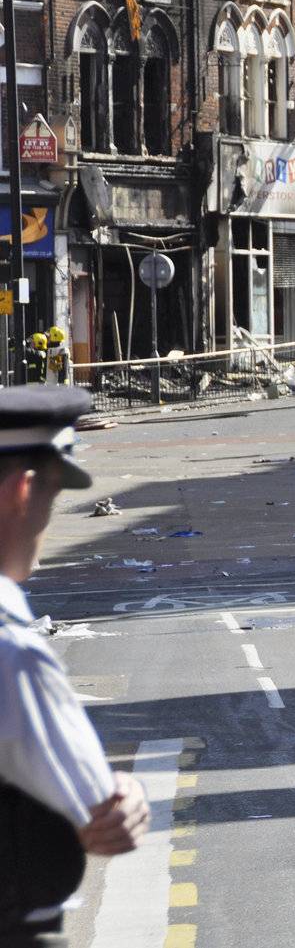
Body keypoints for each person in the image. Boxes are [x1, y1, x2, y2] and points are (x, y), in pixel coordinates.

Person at [1, 387, 150, 945]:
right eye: (55, 493)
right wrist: (123, 791)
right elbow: (102, 815)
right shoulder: (12, 654)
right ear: (24, 489)